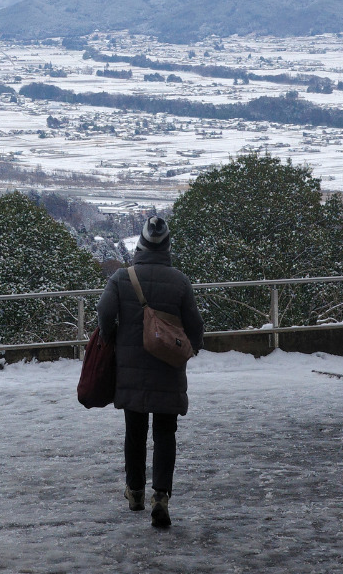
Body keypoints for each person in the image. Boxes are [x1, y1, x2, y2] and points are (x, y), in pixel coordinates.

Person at [96, 215, 204, 528]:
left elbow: (104, 314)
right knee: (165, 432)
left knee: (135, 431)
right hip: (168, 368)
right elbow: (195, 327)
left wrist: (111, 338)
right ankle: (161, 496)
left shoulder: (121, 278)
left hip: (130, 370)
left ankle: (135, 493)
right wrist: (187, 350)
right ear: (167, 246)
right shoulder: (180, 281)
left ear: (141, 245)